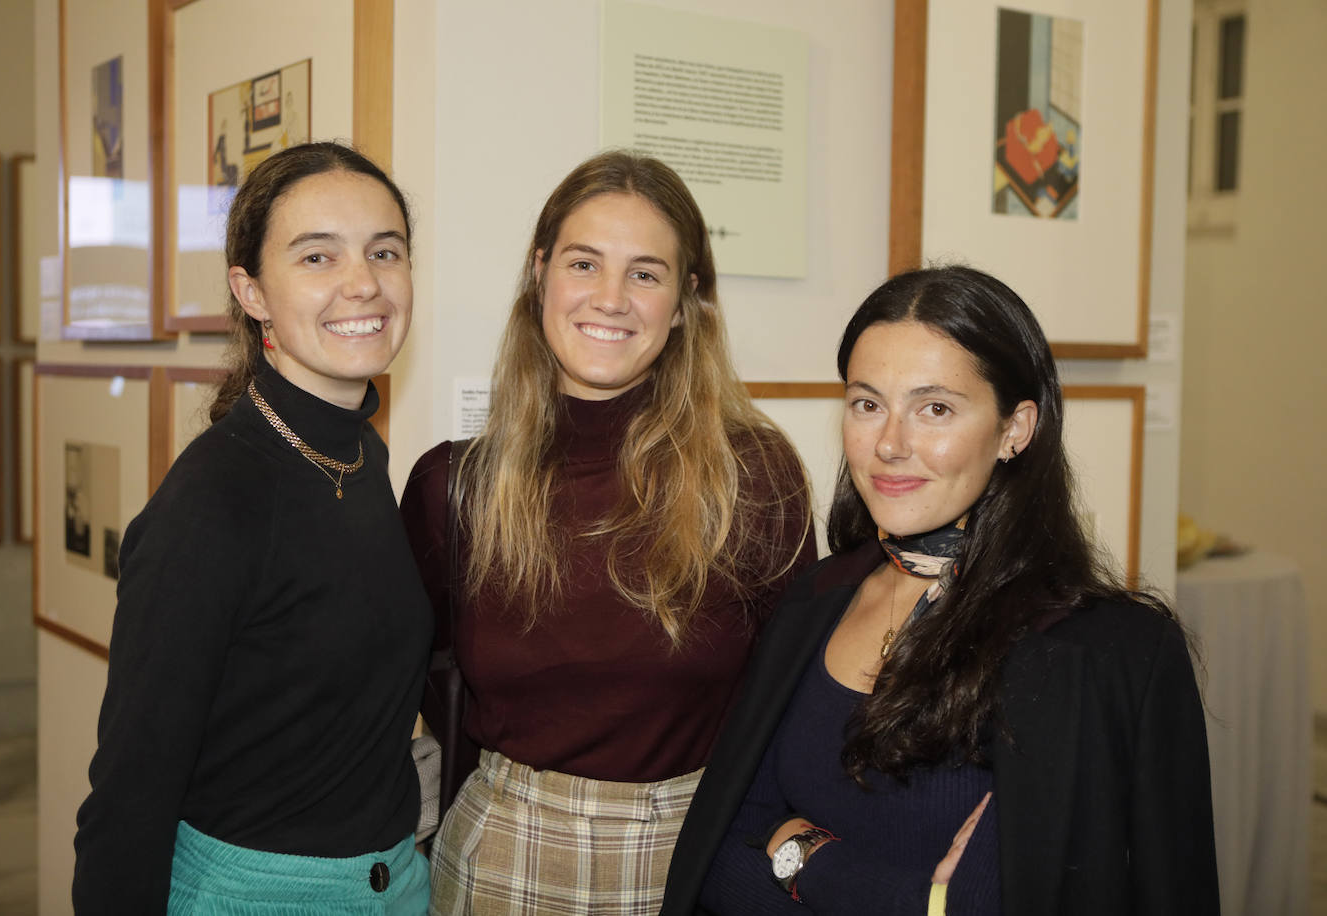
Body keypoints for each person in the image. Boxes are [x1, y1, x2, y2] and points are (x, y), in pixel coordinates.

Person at [660, 265, 1219, 915]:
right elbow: (719, 859)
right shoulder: (814, 599)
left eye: (935, 409)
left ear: (1016, 428)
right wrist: (909, 896)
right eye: (868, 404)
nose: (891, 444)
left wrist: (803, 853)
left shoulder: (1103, 653)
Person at [399, 150, 816, 915]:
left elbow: (792, 700)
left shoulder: (752, 476)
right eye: (585, 263)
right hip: (503, 858)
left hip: (693, 856)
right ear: (540, 273)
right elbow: (408, 680)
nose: (612, 298)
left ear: (686, 300)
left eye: (646, 273)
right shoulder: (454, 487)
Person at [73, 142, 434, 914]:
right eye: (316, 256)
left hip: (392, 884)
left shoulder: (360, 453)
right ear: (253, 291)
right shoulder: (215, 500)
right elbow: (130, 792)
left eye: (385, 251)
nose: (362, 282)